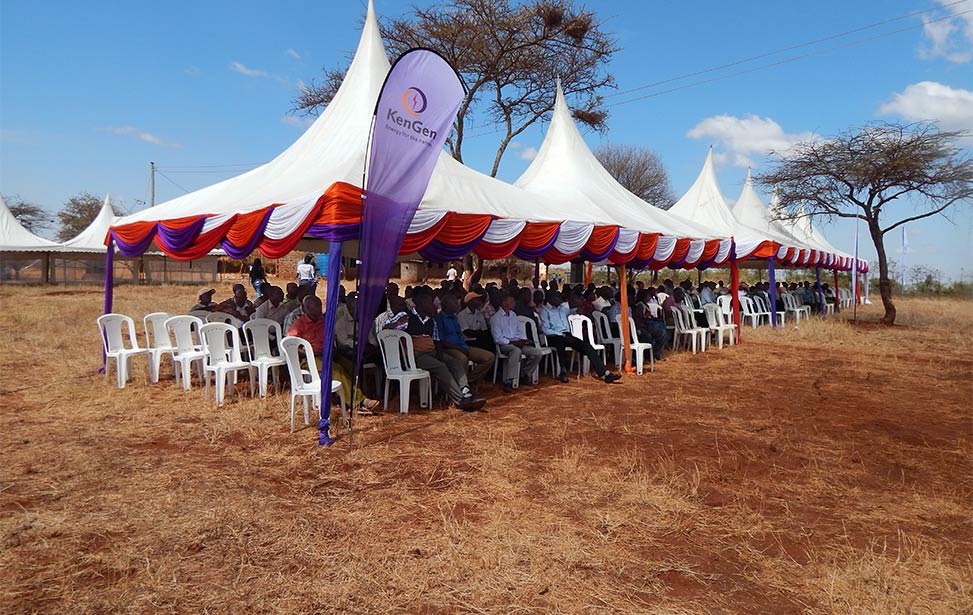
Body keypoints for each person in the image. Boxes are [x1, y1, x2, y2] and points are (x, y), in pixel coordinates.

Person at [383, 291, 485, 411]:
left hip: (431, 352)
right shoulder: (407, 317)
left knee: (454, 363)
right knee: (440, 367)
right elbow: (386, 329)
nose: (433, 305)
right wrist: (399, 324)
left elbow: (436, 341)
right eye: (429, 302)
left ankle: (466, 392)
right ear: (420, 304)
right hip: (415, 356)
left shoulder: (431, 321)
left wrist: (440, 354)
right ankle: (460, 400)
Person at [287, 295, 379, 412]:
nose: (320, 309)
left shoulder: (324, 322)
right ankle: (359, 401)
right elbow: (291, 346)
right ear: (307, 309)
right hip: (310, 358)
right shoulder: (299, 325)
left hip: (328, 354)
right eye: (316, 307)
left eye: (320, 306)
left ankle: (344, 397)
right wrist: (310, 353)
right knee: (336, 370)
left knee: (351, 366)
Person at [538, 291, 622, 384]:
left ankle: (605, 373)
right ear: (551, 298)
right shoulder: (545, 311)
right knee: (560, 342)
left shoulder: (562, 308)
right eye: (558, 298)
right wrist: (562, 335)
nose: (561, 300)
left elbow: (571, 311)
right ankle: (563, 371)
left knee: (586, 346)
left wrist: (577, 310)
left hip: (567, 335)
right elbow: (546, 330)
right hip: (553, 336)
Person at [435, 294, 495, 389]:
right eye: (454, 302)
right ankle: (463, 387)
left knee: (489, 357)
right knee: (462, 359)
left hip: (463, 345)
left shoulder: (454, 317)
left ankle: (469, 381)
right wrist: (459, 348)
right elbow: (440, 341)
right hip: (449, 348)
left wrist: (462, 346)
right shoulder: (439, 319)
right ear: (446, 305)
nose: (457, 304)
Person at [490, 294, 544, 393]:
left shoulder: (513, 315)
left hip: (517, 342)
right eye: (511, 302)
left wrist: (523, 340)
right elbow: (497, 338)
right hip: (505, 345)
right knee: (516, 351)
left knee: (537, 352)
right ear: (504, 303)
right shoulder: (496, 318)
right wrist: (512, 342)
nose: (514, 303)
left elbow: (519, 331)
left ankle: (525, 374)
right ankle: (509, 381)